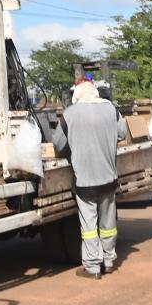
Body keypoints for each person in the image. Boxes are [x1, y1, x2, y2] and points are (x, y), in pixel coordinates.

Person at [48, 79, 129, 278]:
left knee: (89, 226)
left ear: (77, 95)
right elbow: (122, 133)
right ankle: (109, 261)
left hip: (84, 182)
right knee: (108, 224)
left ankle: (92, 267)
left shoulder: (69, 115)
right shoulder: (111, 109)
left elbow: (58, 145)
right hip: (108, 179)